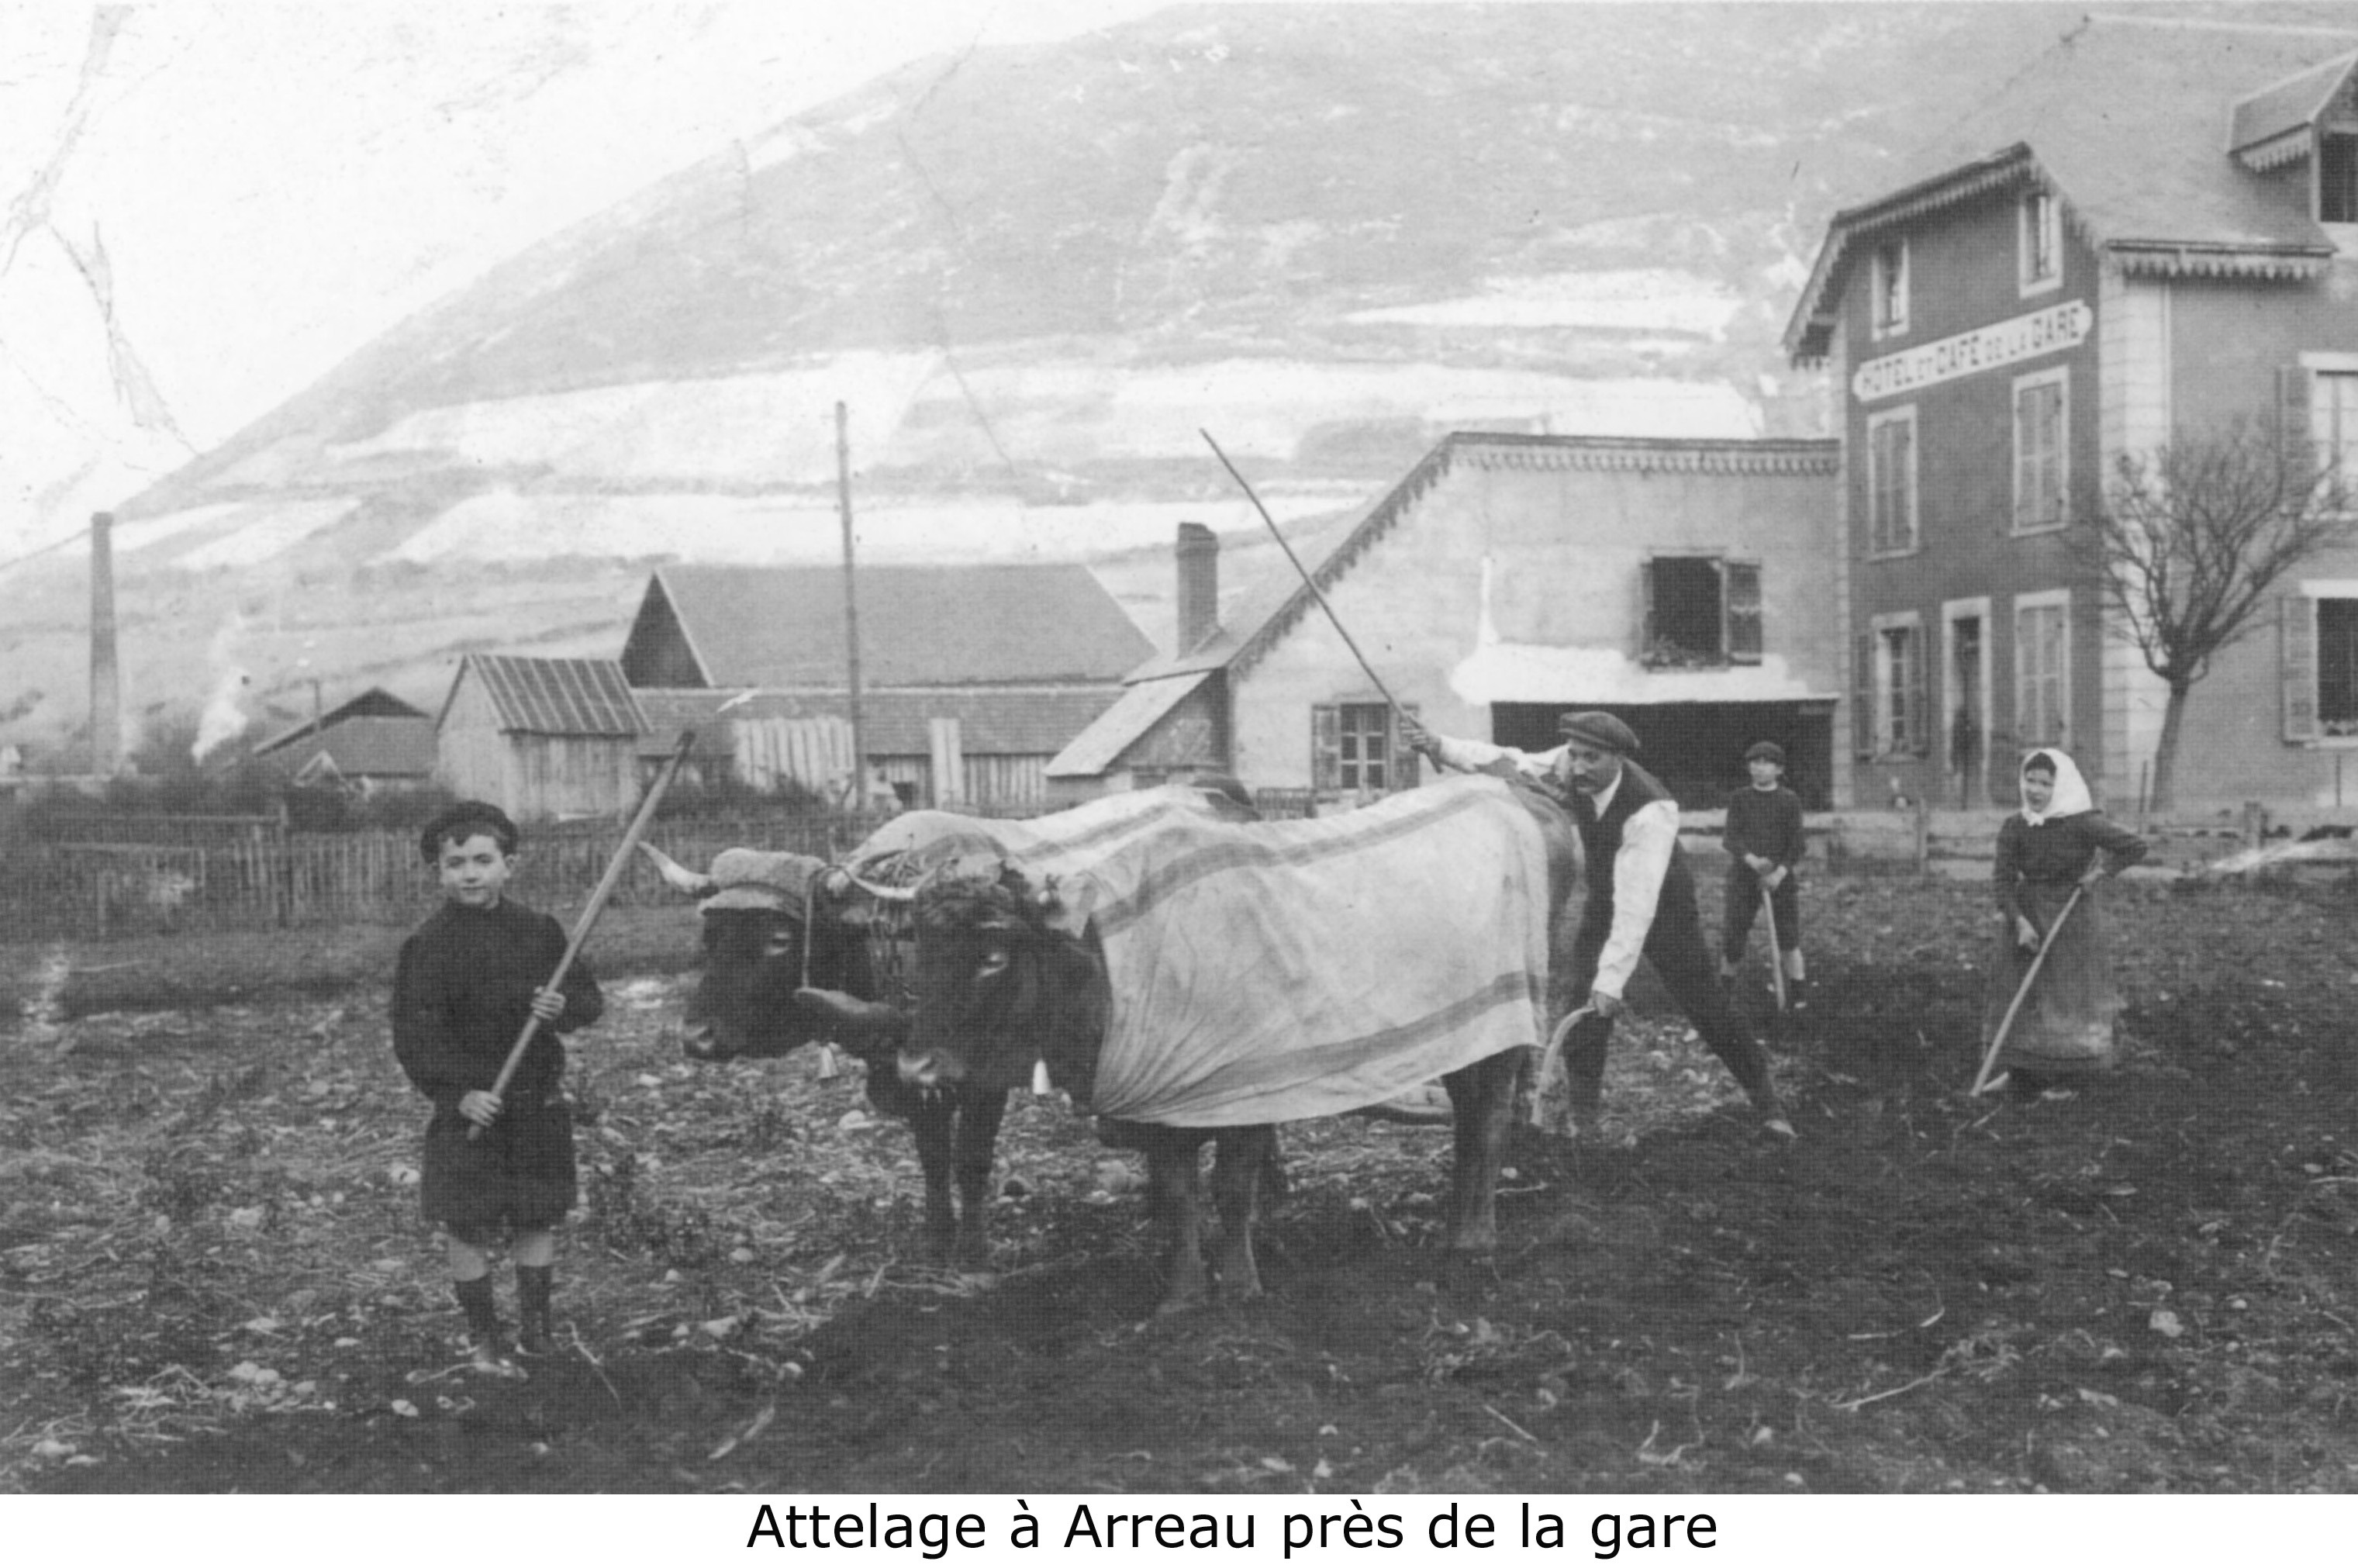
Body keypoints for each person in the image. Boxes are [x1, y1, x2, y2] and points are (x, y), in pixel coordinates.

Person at [1402, 710, 1793, 1139]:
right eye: (1575, 755)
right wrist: (1438, 745)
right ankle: (1582, 1123)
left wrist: (1612, 983)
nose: (1580, 767)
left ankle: (1769, 1105)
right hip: (1606, 901)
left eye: (1592, 758)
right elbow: (1507, 761)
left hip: (1664, 908)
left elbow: (1637, 908)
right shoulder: (1571, 765)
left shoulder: (1651, 810)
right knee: (1582, 1008)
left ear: (1618, 759)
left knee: (1707, 1006)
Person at [392, 801, 603, 1372]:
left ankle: (537, 1332)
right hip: (471, 1109)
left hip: (534, 1100)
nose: (469, 873)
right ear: (438, 871)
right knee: (465, 1221)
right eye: (455, 862)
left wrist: (562, 1008)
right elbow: (414, 1039)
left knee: (536, 1214)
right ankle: (485, 1338)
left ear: (509, 864)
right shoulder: (428, 946)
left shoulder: (538, 932)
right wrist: (457, 1093)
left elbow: (589, 1001)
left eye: (483, 860)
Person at [1981, 749, 2146, 1097]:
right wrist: (2019, 922)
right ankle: (2021, 1073)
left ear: (2060, 787)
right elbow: (2003, 880)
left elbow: (2134, 846)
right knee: (2023, 992)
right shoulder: (2015, 826)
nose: (2036, 790)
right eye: (2031, 780)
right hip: (2027, 916)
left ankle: (2066, 1076)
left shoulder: (2081, 822)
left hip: (2072, 918)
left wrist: (2101, 872)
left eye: (2045, 783)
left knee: (2066, 994)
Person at [1720, 741, 1807, 1012]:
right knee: (1734, 936)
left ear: (1779, 769)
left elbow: (1797, 844)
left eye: (1765, 763)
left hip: (1780, 880)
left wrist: (1779, 873)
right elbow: (1730, 838)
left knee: (1788, 939)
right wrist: (1752, 861)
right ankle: (1723, 994)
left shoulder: (1789, 800)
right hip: (1744, 879)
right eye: (1754, 762)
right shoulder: (1740, 799)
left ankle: (1800, 997)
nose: (1758, 768)